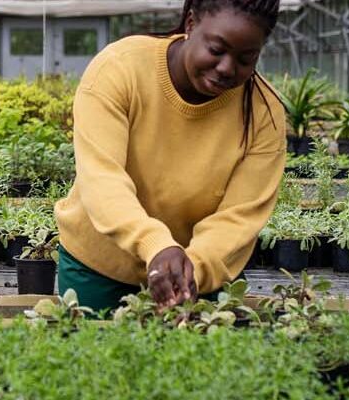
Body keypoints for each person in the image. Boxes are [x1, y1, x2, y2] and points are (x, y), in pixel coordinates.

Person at [53, 0, 289, 312]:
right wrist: (156, 245)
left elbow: (240, 216)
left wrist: (193, 268)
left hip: (197, 275)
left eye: (246, 58)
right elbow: (102, 179)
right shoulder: (120, 68)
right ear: (191, 23)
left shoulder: (263, 113)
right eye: (217, 50)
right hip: (99, 268)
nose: (227, 68)